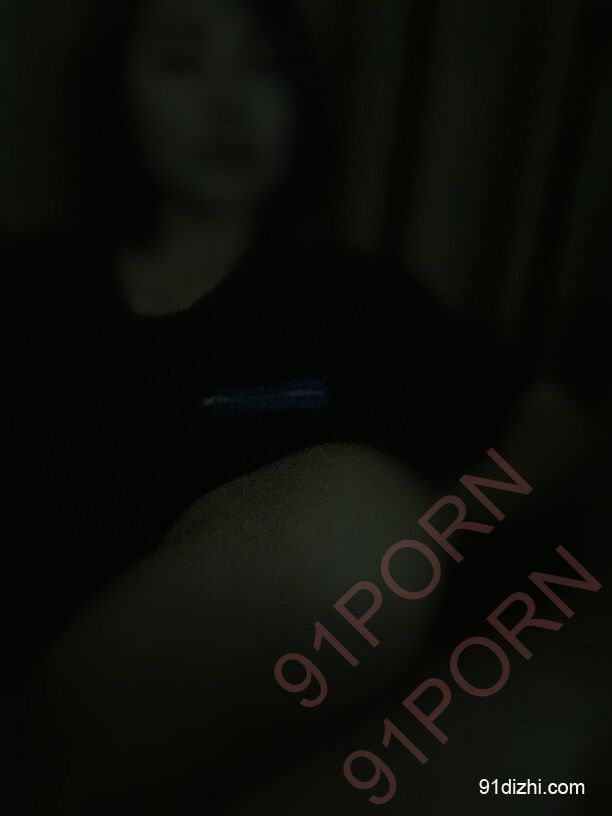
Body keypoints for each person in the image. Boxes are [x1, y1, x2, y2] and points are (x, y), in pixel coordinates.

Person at [3, 0, 609, 812]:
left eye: (264, 65)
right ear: (116, 97)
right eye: (183, 61)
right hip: (64, 725)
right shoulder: (29, 289)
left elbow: (558, 427)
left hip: (334, 735)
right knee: (351, 534)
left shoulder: (357, 298)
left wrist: (435, 531)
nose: (228, 100)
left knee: (563, 715)